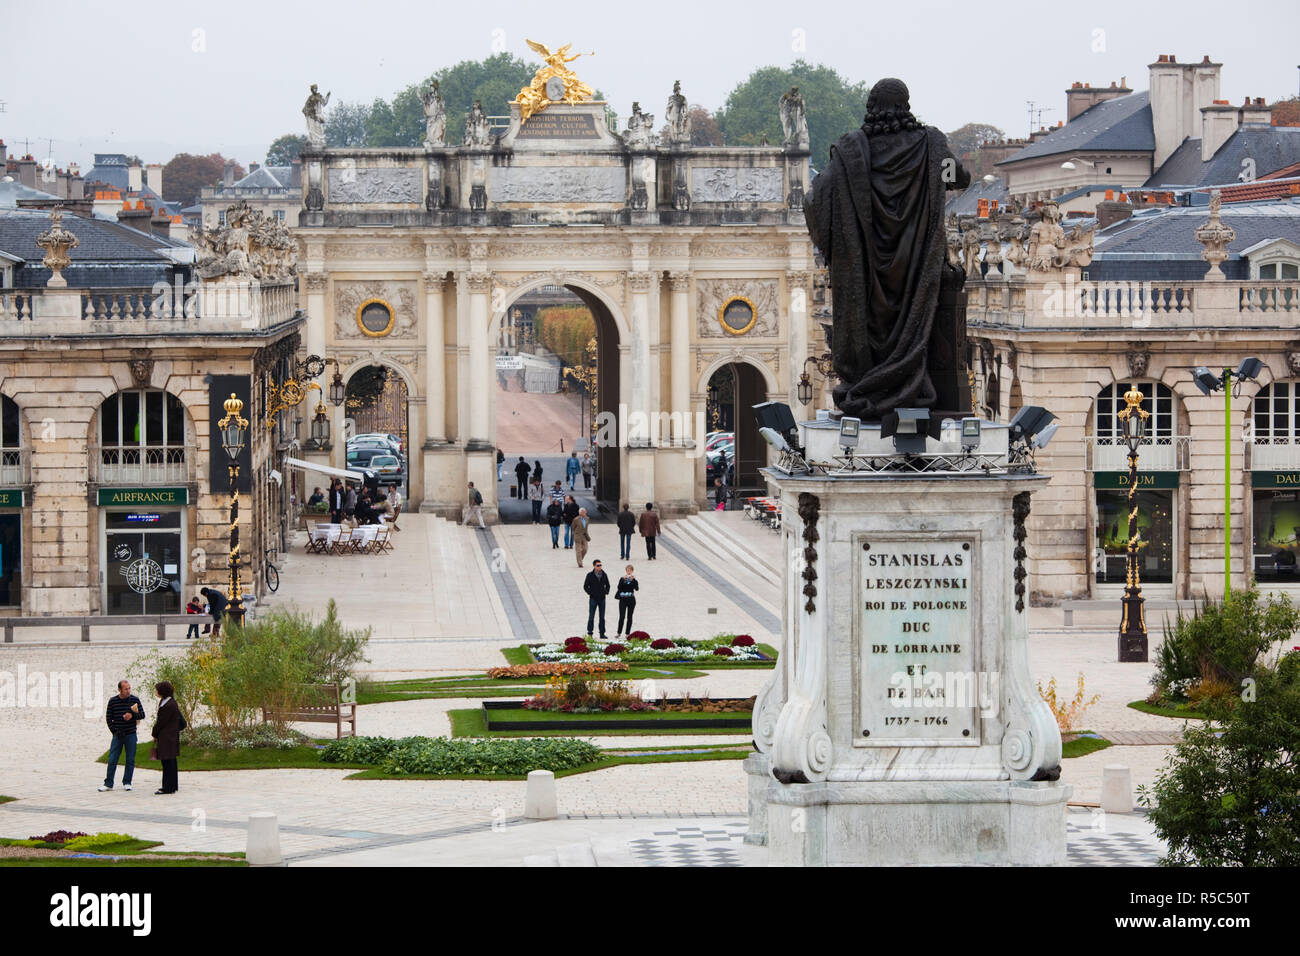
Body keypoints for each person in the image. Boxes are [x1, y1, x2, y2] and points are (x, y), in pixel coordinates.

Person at [99, 679, 145, 792]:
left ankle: (127, 782)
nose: (128, 691)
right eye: (126, 689)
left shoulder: (135, 699)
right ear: (119, 689)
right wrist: (114, 731)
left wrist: (132, 716)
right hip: (118, 734)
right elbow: (109, 718)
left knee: (130, 759)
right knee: (112, 759)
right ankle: (108, 783)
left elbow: (142, 715)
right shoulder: (113, 701)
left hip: (131, 734)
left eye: (129, 688)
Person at [151, 680, 184, 795]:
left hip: (168, 737)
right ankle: (171, 785)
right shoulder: (165, 702)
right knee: (169, 762)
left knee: (168, 762)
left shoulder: (169, 704)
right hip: (167, 736)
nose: (155, 691)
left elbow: (161, 722)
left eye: (157, 689)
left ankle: (168, 787)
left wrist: (154, 733)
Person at [583, 559, 610, 639]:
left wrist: (606, 592)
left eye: (600, 565)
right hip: (593, 599)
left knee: (602, 617)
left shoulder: (604, 574)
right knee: (591, 616)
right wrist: (590, 593)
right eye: (598, 565)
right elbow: (585, 586)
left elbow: (608, 585)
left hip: (602, 599)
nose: (600, 567)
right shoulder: (590, 575)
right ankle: (590, 633)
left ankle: (602, 633)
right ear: (594, 566)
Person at [615, 565, 639, 637]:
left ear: (632, 571)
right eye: (627, 570)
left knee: (630, 616)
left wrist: (633, 580)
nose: (628, 572)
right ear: (626, 571)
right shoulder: (622, 579)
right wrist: (623, 580)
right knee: (622, 616)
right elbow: (619, 587)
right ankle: (619, 632)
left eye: (630, 570)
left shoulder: (634, 580)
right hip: (623, 599)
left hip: (631, 599)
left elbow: (636, 588)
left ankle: (627, 633)